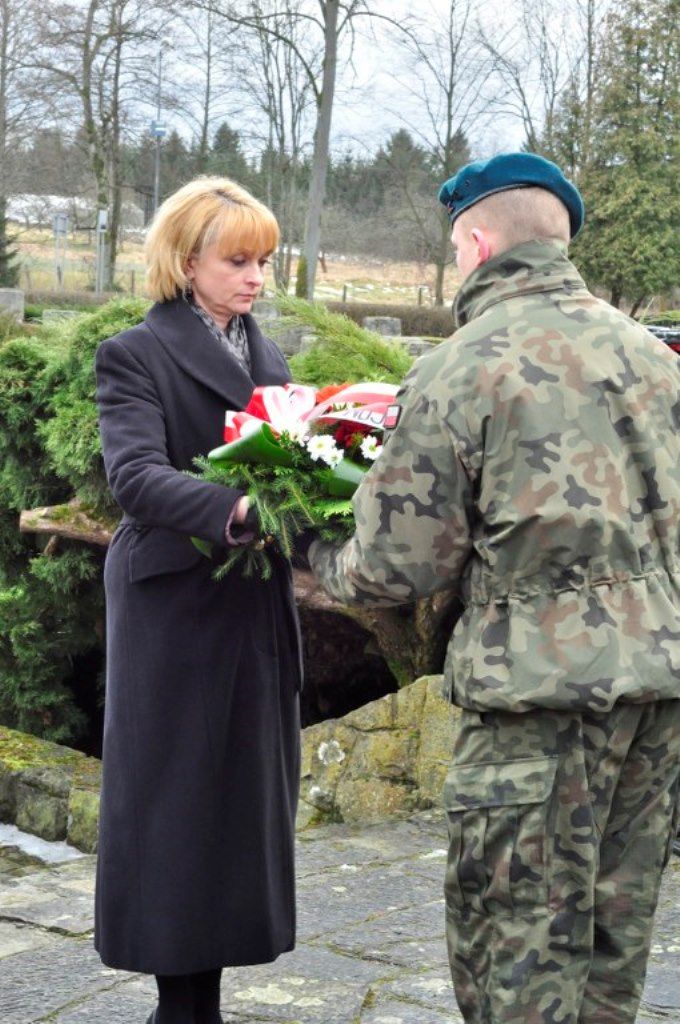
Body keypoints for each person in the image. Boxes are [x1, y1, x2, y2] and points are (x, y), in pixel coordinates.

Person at [303, 153, 680, 1023]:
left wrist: (317, 557)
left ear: (474, 243)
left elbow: (396, 566)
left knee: (513, 956)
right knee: (609, 951)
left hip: (535, 712)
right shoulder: (657, 362)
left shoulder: (461, 368)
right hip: (655, 703)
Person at [94, 177, 302, 1024]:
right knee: (174, 802)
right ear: (186, 262)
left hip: (250, 606)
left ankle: (207, 996)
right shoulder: (133, 353)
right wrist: (239, 511)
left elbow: (294, 471)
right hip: (174, 606)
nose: (257, 278)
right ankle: (177, 1005)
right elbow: (135, 478)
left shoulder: (270, 355)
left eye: (265, 261)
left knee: (239, 802)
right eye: (239, 260)